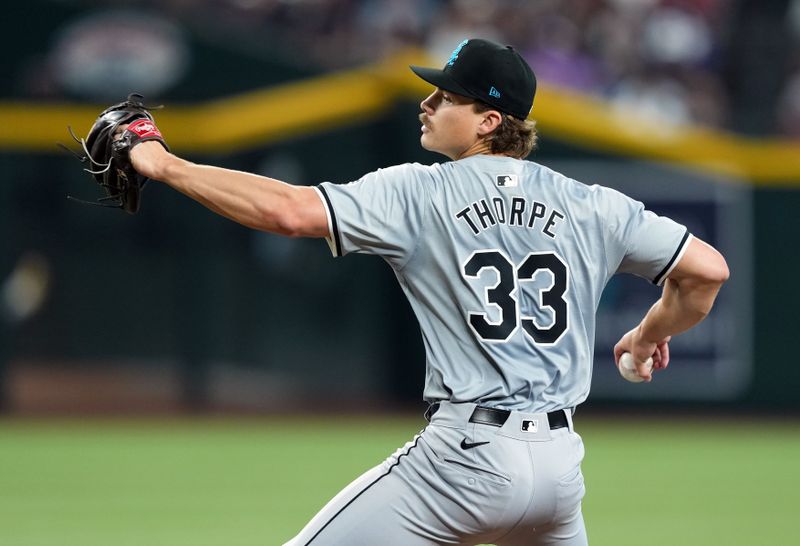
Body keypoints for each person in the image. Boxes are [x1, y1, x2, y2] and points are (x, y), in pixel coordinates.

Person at [128, 38, 728, 545]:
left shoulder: (419, 192)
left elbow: (289, 211)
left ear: (490, 121)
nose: (427, 101)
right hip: (559, 472)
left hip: (466, 460)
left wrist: (166, 165)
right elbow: (707, 270)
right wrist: (648, 337)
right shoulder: (592, 203)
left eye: (446, 96)